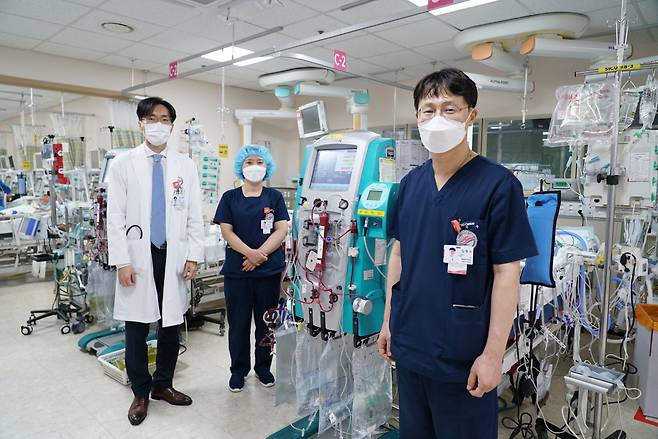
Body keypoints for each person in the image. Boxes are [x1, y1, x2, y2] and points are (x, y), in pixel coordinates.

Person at [377, 68, 537, 439]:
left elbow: (506, 273)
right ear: (416, 117)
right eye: (427, 109)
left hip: (464, 354)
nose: (437, 118)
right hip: (411, 345)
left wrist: (494, 354)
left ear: (471, 116)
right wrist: (388, 322)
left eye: (449, 108)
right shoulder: (410, 185)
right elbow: (399, 255)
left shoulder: (498, 185)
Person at [107, 97, 204, 426]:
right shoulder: (123, 164)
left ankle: (163, 384)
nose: (158, 124)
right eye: (152, 118)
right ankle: (140, 391)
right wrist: (121, 261)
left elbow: (194, 215)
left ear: (172, 126)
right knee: (135, 326)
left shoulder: (185, 165)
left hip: (172, 254)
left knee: (170, 324)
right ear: (141, 123)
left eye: (164, 119)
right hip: (137, 255)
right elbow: (115, 218)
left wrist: (193, 254)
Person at [214, 145, 289, 393]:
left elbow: (281, 229)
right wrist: (250, 254)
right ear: (240, 168)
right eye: (249, 162)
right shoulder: (229, 198)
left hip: (267, 272)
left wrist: (261, 255)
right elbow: (227, 231)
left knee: (266, 322)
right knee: (238, 324)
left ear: (266, 166)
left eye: (259, 161)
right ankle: (238, 370)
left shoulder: (274, 197)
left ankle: (263, 367)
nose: (254, 166)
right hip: (238, 271)